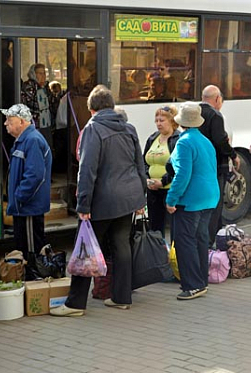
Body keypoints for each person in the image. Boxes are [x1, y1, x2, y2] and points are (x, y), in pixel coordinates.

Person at [50, 85, 145, 316]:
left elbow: (87, 169)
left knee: (85, 248)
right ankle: (122, 297)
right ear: (111, 106)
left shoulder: (93, 129)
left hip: (103, 199)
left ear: (91, 108)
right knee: (121, 245)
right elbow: (139, 164)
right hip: (128, 197)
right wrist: (141, 197)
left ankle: (75, 304)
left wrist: (83, 204)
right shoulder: (129, 128)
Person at [166, 102, 219, 300]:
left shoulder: (184, 142)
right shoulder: (205, 140)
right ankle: (201, 281)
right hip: (210, 196)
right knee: (200, 239)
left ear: (180, 122)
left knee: (184, 241)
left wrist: (171, 199)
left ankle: (192, 285)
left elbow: (182, 175)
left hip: (191, 199)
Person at [1, 104, 52, 260]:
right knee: (25, 248)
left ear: (22, 122)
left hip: (28, 208)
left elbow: (35, 176)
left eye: (9, 120)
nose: (5, 123)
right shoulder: (25, 139)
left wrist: (19, 197)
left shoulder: (32, 140)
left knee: (31, 253)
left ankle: (33, 278)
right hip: (24, 207)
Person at [199, 85, 240, 248]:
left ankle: (213, 237)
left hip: (200, 166)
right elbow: (220, 140)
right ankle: (210, 241)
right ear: (217, 99)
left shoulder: (194, 113)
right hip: (216, 165)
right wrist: (233, 155)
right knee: (215, 204)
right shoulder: (215, 115)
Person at [143, 106, 180, 240]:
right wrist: (146, 178)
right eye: (156, 120)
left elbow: (178, 166)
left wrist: (163, 181)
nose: (158, 123)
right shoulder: (152, 138)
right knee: (155, 227)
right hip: (152, 190)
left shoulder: (177, 139)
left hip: (170, 189)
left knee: (175, 228)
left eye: (162, 120)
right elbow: (144, 161)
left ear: (172, 121)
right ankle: (158, 255)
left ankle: (174, 257)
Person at [21, 64, 57, 147]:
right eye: (40, 73)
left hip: (47, 123)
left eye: (44, 73)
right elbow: (28, 104)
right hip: (35, 124)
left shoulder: (45, 87)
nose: (43, 76)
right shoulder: (28, 86)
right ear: (33, 74)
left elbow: (52, 103)